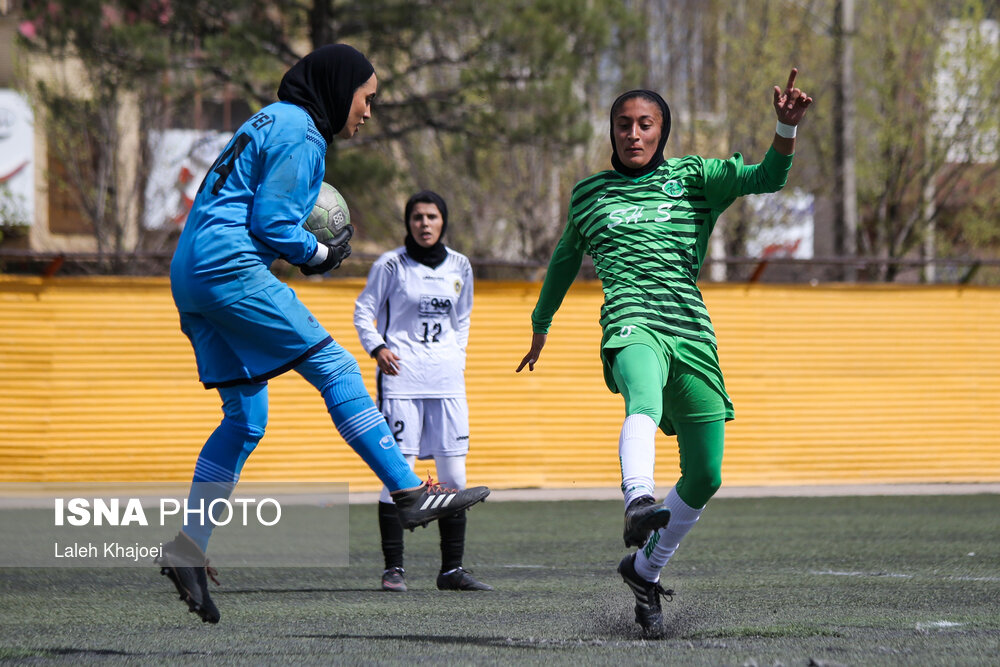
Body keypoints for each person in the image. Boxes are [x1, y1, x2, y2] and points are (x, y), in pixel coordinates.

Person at [160, 44, 490, 624]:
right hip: (230, 268)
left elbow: (248, 210)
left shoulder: (267, 117)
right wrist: (321, 252)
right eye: (367, 99)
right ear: (340, 90)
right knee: (336, 368)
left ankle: (187, 548)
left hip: (191, 272)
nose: (367, 112)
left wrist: (302, 251)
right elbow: (270, 223)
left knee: (244, 420)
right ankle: (409, 493)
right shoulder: (303, 132)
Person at [516, 69, 813, 636]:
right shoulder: (590, 193)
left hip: (692, 334)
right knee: (642, 402)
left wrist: (785, 126)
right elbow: (561, 260)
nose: (632, 133)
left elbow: (770, 176)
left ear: (662, 132)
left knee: (706, 473)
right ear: (611, 132)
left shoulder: (696, 177)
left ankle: (645, 569)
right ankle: (637, 501)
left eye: (644, 124)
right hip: (631, 324)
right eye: (623, 124)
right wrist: (540, 323)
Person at [354, 190, 492, 593]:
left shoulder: (461, 266)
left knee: (454, 475)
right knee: (398, 472)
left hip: (447, 382)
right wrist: (377, 347)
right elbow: (364, 309)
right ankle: (393, 568)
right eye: (417, 217)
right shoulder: (391, 264)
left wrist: (457, 355)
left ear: (443, 221)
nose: (425, 224)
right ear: (408, 222)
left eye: (432, 216)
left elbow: (462, 317)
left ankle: (451, 570)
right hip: (402, 381)